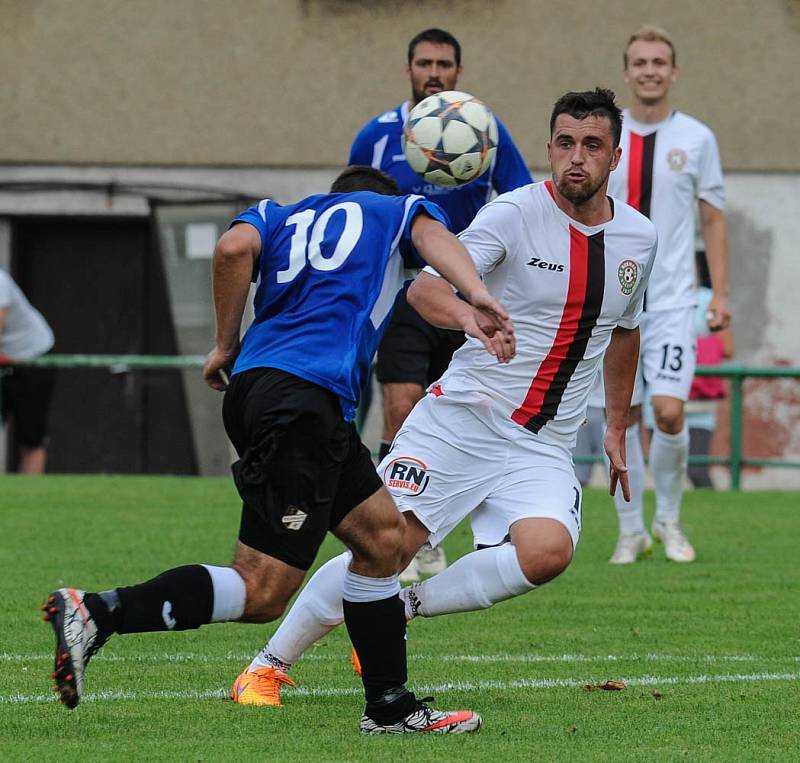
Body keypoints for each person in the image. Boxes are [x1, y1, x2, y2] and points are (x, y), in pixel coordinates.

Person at [42, 165, 516, 735]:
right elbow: (429, 237)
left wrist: (224, 343)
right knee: (263, 589)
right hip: (303, 401)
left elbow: (232, 246)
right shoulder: (393, 210)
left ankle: (389, 706)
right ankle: (98, 612)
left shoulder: (280, 214)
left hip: (268, 391)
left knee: (383, 538)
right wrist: (479, 293)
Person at [235, 89, 657, 706]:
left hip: (544, 441)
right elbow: (425, 292)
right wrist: (472, 318)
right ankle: (268, 665)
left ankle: (401, 606)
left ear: (614, 156)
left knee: (546, 553)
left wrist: (616, 426)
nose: (576, 158)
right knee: (387, 545)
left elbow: (625, 332)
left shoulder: (638, 239)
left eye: (592, 145)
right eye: (565, 143)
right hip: (463, 418)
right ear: (548, 149)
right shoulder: (512, 214)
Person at [349, 27, 532, 579]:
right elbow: (354, 200)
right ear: (409, 70)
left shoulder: (484, 128)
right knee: (401, 405)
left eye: (444, 64)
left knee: (468, 410)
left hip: (470, 293)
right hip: (406, 288)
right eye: (425, 62)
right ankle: (392, 527)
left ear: (458, 71)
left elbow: (522, 197)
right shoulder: (377, 135)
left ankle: (470, 527)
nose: (435, 72)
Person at [603, 25, 731, 564]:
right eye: (640, 62)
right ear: (627, 72)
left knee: (670, 412)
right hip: (615, 301)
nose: (650, 70)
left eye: (659, 62)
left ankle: (670, 521)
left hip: (676, 301)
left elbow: (713, 217)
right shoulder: (604, 136)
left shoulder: (697, 138)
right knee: (622, 417)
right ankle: (631, 531)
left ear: (673, 71)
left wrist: (719, 293)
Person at [0, 267, 55, 474]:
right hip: (3, 360)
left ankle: (31, 496)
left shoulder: (0, 282)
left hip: (33, 358)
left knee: (31, 439)